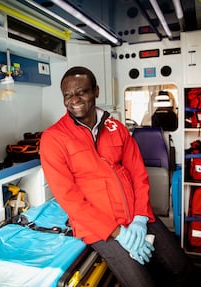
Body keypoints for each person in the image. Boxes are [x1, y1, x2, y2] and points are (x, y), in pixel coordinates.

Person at [40, 66, 192, 287]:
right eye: (67, 95)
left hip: (136, 216)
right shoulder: (53, 139)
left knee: (180, 267)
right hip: (100, 227)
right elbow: (69, 200)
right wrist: (119, 233)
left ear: (96, 91)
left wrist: (140, 218)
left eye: (81, 92)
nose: (75, 99)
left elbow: (138, 174)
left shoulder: (116, 127)